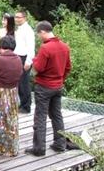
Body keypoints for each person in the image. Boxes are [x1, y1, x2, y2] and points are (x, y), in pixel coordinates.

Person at [25, 21, 72, 156]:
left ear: (43, 32)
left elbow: (38, 68)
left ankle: (39, 149)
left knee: (40, 117)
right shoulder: (64, 47)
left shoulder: (45, 48)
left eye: (39, 34)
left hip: (44, 87)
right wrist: (61, 80)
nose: (39, 37)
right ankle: (60, 144)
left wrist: (34, 60)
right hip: (58, 86)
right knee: (57, 115)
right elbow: (68, 67)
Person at [14, 10, 35, 113]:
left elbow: (31, 47)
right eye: (16, 17)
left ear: (25, 18)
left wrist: (28, 61)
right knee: (19, 82)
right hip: (18, 56)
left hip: (24, 58)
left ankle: (26, 106)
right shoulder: (19, 29)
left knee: (24, 83)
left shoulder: (28, 30)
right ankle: (21, 104)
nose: (17, 19)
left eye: (19, 17)